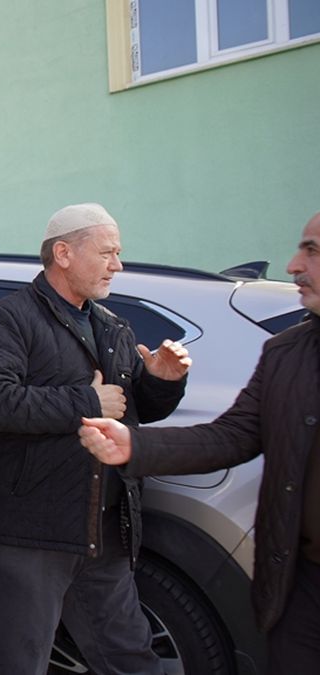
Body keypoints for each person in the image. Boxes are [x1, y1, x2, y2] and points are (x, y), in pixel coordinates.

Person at [79, 211, 320, 672]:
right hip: (301, 593)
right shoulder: (286, 353)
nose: (294, 265)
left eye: (312, 251)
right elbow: (234, 435)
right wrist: (135, 446)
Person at [0, 203, 191, 674]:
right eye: (106, 253)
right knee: (17, 661)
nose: (117, 265)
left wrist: (162, 383)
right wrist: (86, 402)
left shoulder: (113, 326)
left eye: (118, 253)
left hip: (102, 528)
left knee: (131, 656)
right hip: (31, 531)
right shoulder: (6, 319)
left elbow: (131, 410)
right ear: (63, 253)